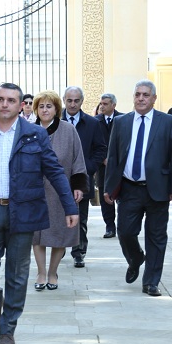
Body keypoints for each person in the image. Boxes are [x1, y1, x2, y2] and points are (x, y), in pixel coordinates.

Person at [0, 83, 79, 344]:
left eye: (11, 100)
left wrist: (70, 207)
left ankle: (8, 328)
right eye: (0, 99)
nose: (5, 104)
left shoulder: (34, 135)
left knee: (17, 273)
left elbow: (54, 171)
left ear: (21, 106)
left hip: (24, 211)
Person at [104, 79, 172, 297]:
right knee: (125, 232)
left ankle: (151, 281)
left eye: (145, 95)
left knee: (156, 237)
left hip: (158, 189)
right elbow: (114, 156)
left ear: (154, 98)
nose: (140, 98)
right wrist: (109, 187)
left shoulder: (167, 122)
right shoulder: (121, 122)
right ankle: (136, 258)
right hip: (129, 189)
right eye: (137, 94)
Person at [31, 91, 87, 291]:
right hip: (35, 191)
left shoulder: (68, 130)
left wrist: (79, 185)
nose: (45, 110)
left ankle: (53, 272)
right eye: (41, 106)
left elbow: (77, 159)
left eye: (49, 106)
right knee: (36, 235)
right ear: (36, 109)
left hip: (61, 192)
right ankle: (41, 272)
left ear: (56, 109)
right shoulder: (28, 130)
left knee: (60, 233)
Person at [63, 85, 107, 268]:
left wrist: (88, 167)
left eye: (76, 100)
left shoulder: (92, 123)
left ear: (82, 101)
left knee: (80, 217)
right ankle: (57, 248)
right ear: (64, 100)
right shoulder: (54, 121)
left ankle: (79, 251)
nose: (73, 104)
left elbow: (100, 149)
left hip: (82, 178)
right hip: (58, 178)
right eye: (69, 100)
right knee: (58, 217)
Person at [94, 93, 122, 238]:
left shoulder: (123, 119)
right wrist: (102, 159)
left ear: (113, 105)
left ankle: (123, 225)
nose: (102, 106)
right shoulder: (95, 121)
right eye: (101, 103)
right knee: (106, 197)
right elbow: (93, 144)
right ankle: (110, 226)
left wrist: (116, 159)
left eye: (105, 104)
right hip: (103, 167)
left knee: (122, 196)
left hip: (121, 167)